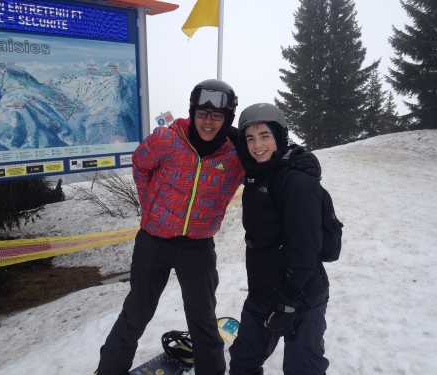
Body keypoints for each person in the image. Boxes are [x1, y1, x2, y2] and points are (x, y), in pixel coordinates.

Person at [95, 80, 322, 375]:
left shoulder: (234, 154)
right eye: (202, 113)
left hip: (197, 248)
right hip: (153, 242)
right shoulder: (166, 139)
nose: (208, 121)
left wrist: (299, 159)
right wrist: (150, 203)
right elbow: (140, 164)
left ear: (227, 118)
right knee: (135, 314)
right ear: (193, 112)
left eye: (217, 116)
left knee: (202, 321)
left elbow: (266, 162)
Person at [229, 103, 330, 375]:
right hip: (263, 289)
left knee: (303, 368)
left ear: (280, 136)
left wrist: (289, 298)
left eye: (265, 135)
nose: (256, 144)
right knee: (243, 361)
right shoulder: (256, 167)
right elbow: (222, 132)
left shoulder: (296, 179)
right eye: (250, 138)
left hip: (301, 292)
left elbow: (307, 245)